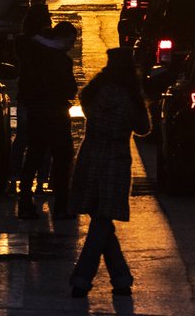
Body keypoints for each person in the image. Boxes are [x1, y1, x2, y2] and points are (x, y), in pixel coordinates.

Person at [68, 47, 150, 299]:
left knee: (100, 220)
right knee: (103, 221)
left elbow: (84, 104)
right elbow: (144, 128)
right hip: (115, 162)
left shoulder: (94, 91)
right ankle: (82, 279)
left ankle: (121, 279)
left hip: (90, 157)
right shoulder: (130, 96)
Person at [17, 19, 78, 220]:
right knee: (62, 158)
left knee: (33, 157)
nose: (72, 46)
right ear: (62, 39)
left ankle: (25, 203)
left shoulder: (33, 52)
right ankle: (61, 206)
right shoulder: (60, 60)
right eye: (71, 42)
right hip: (56, 114)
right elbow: (70, 89)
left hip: (36, 113)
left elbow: (24, 84)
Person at [8, 3, 53, 195]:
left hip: (27, 95)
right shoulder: (45, 44)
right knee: (43, 139)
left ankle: (14, 178)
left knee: (23, 138)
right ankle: (41, 180)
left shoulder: (22, 41)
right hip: (42, 97)